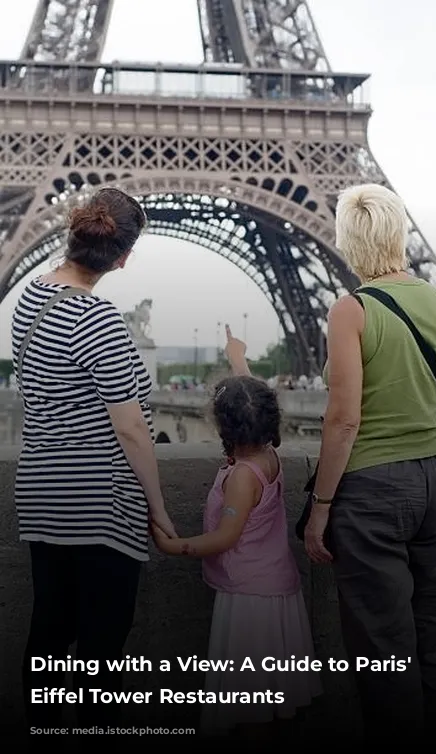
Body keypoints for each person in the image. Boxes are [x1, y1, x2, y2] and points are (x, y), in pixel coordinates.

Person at [11, 187, 177, 751]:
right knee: (102, 654)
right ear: (123, 256)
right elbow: (131, 429)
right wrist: (158, 510)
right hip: (100, 504)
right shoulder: (100, 318)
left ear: (72, 232)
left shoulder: (30, 300)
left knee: (50, 635)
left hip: (42, 493)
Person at [304, 184, 436, 748]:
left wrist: (320, 509)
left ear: (350, 242)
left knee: (382, 647)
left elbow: (343, 420)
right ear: (399, 232)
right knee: (432, 629)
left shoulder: (352, 309)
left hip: (374, 490)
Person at [152, 325, 321, 740]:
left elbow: (226, 537)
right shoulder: (269, 455)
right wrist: (238, 360)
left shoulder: (242, 477)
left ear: (223, 427)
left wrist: (176, 546)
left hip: (249, 597)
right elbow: (255, 400)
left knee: (246, 703)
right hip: (275, 586)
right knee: (270, 696)